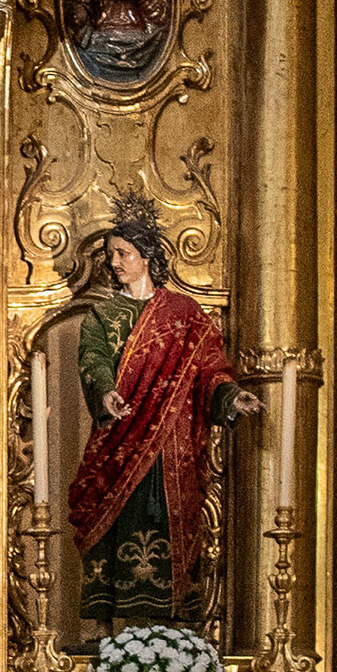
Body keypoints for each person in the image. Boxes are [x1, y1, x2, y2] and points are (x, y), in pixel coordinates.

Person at [66, 196, 262, 631]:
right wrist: (106, 393)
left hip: (171, 446)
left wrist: (231, 397)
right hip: (119, 438)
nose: (114, 262)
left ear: (147, 257)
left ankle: (172, 625)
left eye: (123, 253)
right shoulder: (103, 313)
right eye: (110, 254)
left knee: (164, 519)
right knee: (110, 516)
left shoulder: (185, 315)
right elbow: (92, 358)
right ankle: (103, 627)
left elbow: (210, 367)